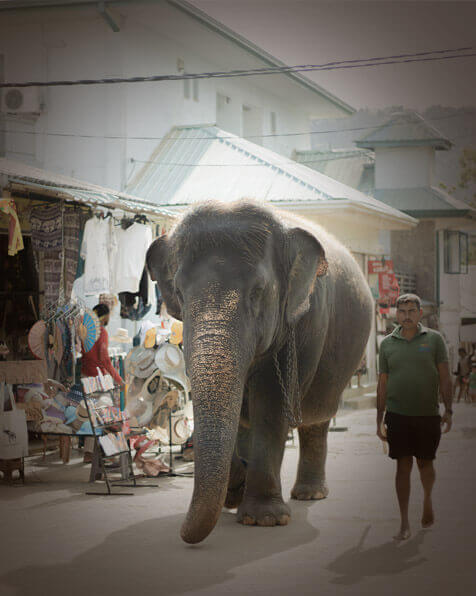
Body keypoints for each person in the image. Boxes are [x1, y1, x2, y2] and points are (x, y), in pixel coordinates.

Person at [376, 293, 453, 541]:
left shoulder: (434, 340)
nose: (406, 316)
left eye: (411, 311)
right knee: (403, 465)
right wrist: (379, 418)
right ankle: (404, 522)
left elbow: (444, 377)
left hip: (427, 414)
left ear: (420, 313)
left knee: (425, 463)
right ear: (396, 314)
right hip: (397, 415)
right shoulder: (387, 344)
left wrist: (448, 409)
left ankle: (428, 499)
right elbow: (382, 383)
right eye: (402, 311)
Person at [81, 303, 124, 463]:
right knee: (108, 416)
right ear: (105, 316)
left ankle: (89, 453)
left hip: (85, 375)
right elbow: (105, 360)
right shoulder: (101, 333)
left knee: (92, 416)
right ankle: (113, 453)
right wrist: (118, 380)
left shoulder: (84, 330)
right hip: (98, 379)